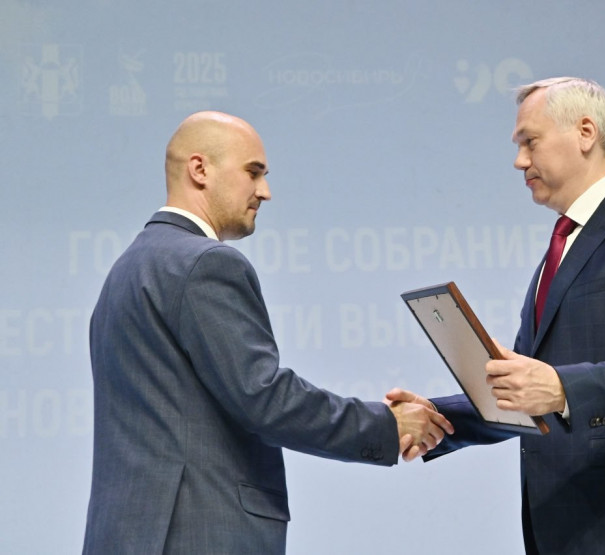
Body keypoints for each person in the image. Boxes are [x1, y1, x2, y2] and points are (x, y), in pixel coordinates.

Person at [388, 77, 605, 553]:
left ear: (585, 132)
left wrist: (563, 388)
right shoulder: (560, 249)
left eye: (530, 142)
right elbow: (529, 396)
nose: (519, 161)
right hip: (577, 532)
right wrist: (437, 417)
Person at [82, 111, 453, 554]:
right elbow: (264, 398)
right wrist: (386, 425)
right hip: (198, 533)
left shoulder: (126, 269)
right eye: (253, 172)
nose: (265, 191)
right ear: (199, 169)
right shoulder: (206, 263)